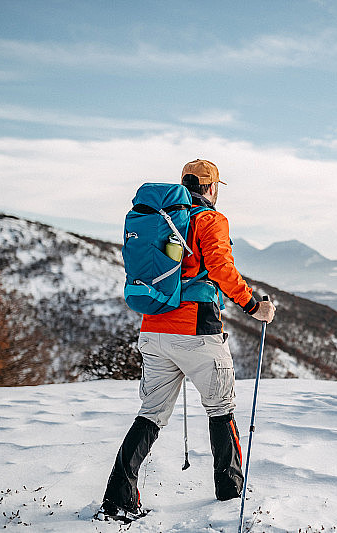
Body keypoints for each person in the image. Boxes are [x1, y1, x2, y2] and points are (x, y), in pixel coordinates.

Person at [96, 159, 276, 522]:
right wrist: (254, 306)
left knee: (150, 415)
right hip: (197, 331)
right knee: (221, 409)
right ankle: (230, 491)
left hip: (153, 329)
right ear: (211, 188)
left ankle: (118, 498)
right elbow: (223, 269)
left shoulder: (157, 218)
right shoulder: (209, 220)